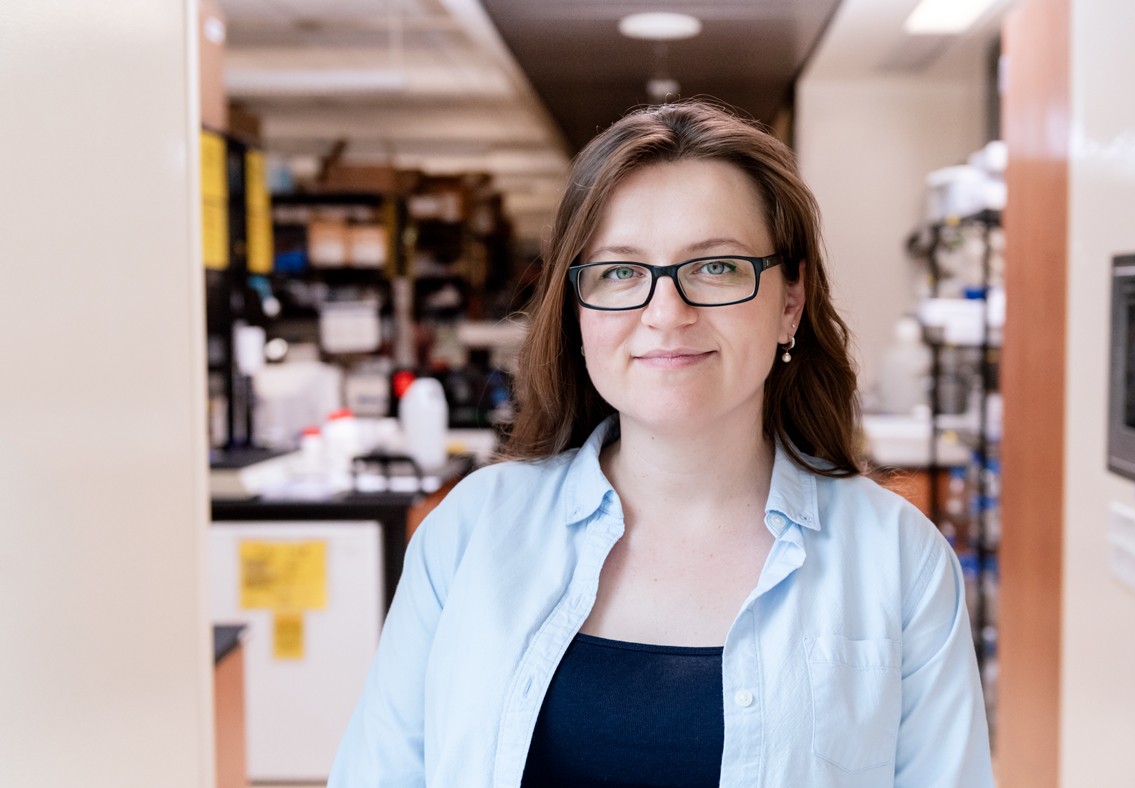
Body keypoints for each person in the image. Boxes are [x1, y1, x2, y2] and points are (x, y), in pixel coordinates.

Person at [329, 100, 993, 787]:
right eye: (619, 273)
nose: (666, 314)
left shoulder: (897, 560)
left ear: (789, 299)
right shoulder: (471, 534)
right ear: (577, 308)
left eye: (717, 268)